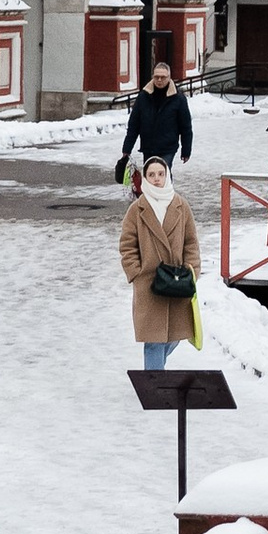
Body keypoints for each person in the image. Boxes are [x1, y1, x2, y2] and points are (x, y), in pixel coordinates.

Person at [119, 154, 203, 371]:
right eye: (151, 175)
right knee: (153, 340)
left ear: (167, 175)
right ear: (145, 178)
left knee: (175, 336)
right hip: (149, 284)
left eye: (161, 174)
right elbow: (127, 245)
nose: (157, 179)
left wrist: (191, 270)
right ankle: (155, 388)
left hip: (176, 281)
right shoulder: (137, 210)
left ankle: (155, 379)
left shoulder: (181, 206)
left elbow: (191, 242)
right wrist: (136, 273)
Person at [116, 56, 192, 185]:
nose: (159, 80)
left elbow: (186, 127)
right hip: (148, 147)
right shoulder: (143, 97)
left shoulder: (178, 99)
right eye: (157, 77)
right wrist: (126, 149)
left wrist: (186, 150)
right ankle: (151, 201)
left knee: (163, 173)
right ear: (153, 77)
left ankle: (166, 199)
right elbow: (134, 125)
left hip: (168, 147)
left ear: (169, 78)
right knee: (150, 176)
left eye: (163, 77)